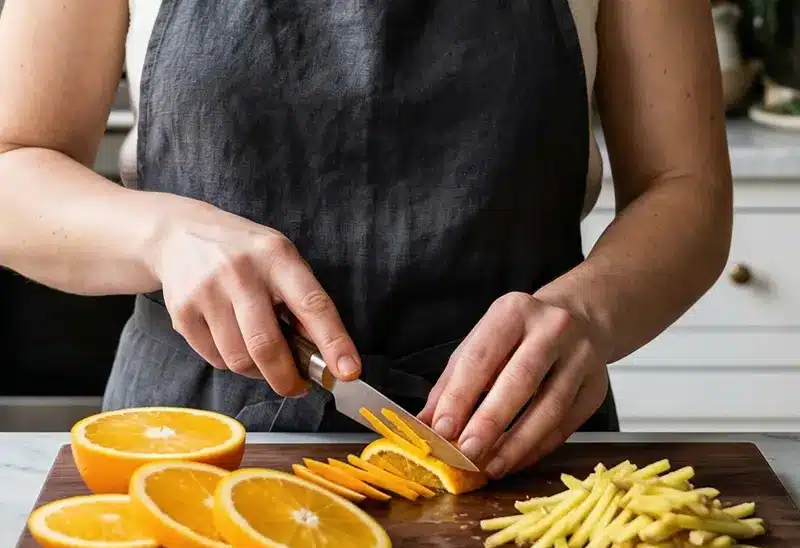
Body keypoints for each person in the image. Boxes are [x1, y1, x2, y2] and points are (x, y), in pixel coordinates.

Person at [0, 0, 732, 479]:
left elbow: (685, 187)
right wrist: (163, 235)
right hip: (192, 450)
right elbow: (14, 165)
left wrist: (589, 314)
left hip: (515, 449)